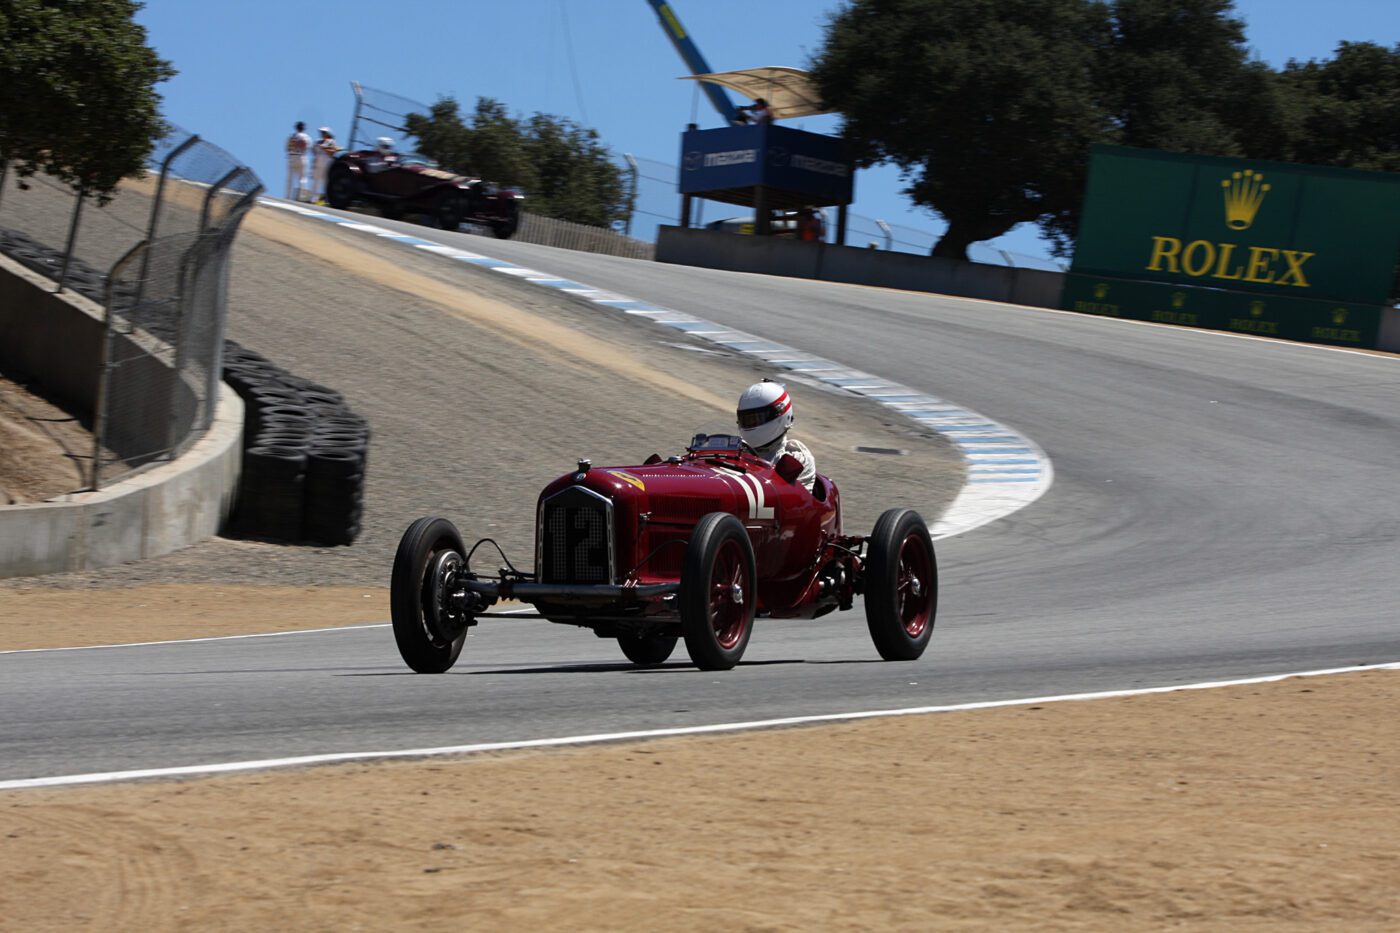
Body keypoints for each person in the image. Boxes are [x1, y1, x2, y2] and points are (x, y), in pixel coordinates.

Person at [736, 379, 815, 491]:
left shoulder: (796, 458)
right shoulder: (738, 450)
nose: (751, 424)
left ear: (781, 414)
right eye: (747, 420)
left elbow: (793, 499)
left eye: (757, 419)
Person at [311, 126, 339, 205]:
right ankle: (313, 199)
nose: (322, 134)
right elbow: (313, 150)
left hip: (327, 163)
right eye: (321, 132)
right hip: (318, 163)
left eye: (324, 132)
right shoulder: (317, 141)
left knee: (326, 181)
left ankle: (327, 199)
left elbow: (333, 151)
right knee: (315, 181)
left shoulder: (331, 141)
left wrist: (324, 148)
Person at [285, 121, 310, 200]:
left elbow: (287, 148)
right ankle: (301, 197)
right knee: (302, 178)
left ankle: (287, 196)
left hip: (291, 157)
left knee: (290, 179)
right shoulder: (306, 137)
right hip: (301, 156)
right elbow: (307, 147)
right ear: (303, 128)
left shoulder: (292, 137)